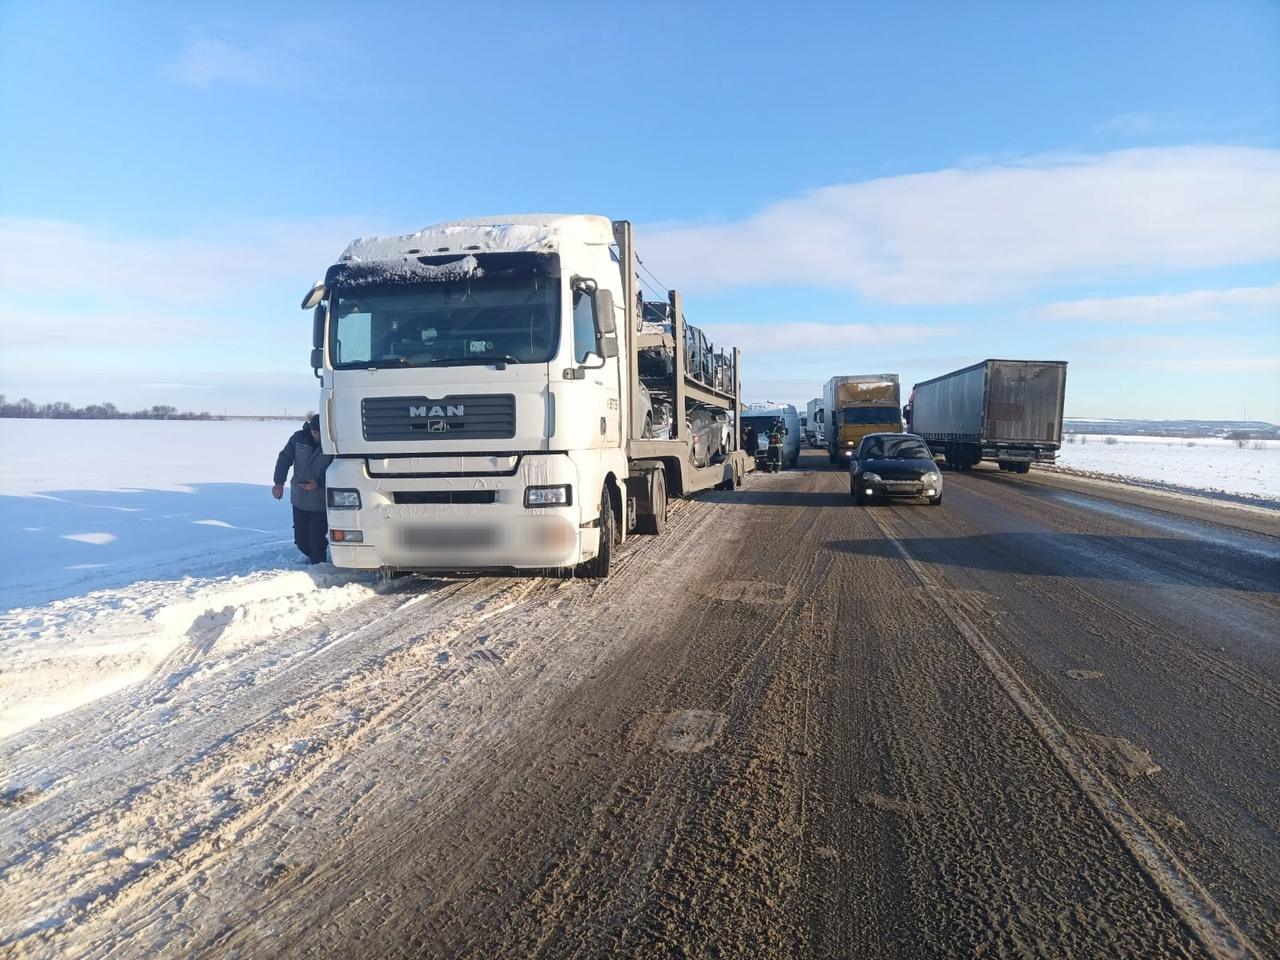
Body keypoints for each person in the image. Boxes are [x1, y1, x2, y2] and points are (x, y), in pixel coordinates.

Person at [272, 414, 333, 564]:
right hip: (299, 499)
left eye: (321, 432)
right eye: (315, 432)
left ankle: (318, 568)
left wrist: (318, 483)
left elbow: (340, 470)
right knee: (301, 541)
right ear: (310, 430)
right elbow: (284, 459)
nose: (318, 436)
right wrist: (279, 483)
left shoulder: (333, 443)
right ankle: (315, 559)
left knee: (316, 539)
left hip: (321, 502)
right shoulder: (298, 439)